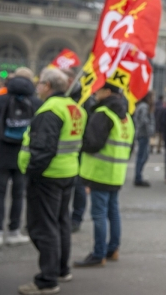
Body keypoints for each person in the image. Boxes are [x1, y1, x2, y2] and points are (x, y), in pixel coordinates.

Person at [17, 68, 87, 295]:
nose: (37, 87)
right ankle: (61, 269)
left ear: (47, 86)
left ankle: (47, 280)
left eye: (39, 83)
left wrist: (33, 172)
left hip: (47, 176)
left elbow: (43, 149)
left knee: (43, 228)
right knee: (61, 223)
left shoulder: (50, 110)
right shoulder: (74, 108)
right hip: (67, 173)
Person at [0, 67, 42, 250]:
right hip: (23, 153)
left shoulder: (0, 99)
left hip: (1, 151)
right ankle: (14, 231)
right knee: (18, 193)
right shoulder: (36, 102)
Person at [74, 82, 134, 267]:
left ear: (107, 92)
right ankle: (112, 249)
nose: (95, 92)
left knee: (99, 214)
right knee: (113, 212)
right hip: (116, 172)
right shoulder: (125, 116)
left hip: (99, 171)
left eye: (98, 89)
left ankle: (98, 254)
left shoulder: (103, 113)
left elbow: (93, 143)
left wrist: (79, 143)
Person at [61, 68, 96, 234]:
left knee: (79, 186)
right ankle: (62, 216)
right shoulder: (64, 97)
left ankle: (76, 218)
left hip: (79, 148)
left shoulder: (84, 99)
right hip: (64, 149)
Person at [133, 91, 155, 187]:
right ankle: (138, 177)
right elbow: (143, 120)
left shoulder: (141, 106)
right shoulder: (144, 107)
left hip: (142, 134)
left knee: (142, 155)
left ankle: (138, 176)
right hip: (143, 134)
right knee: (142, 156)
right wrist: (150, 130)